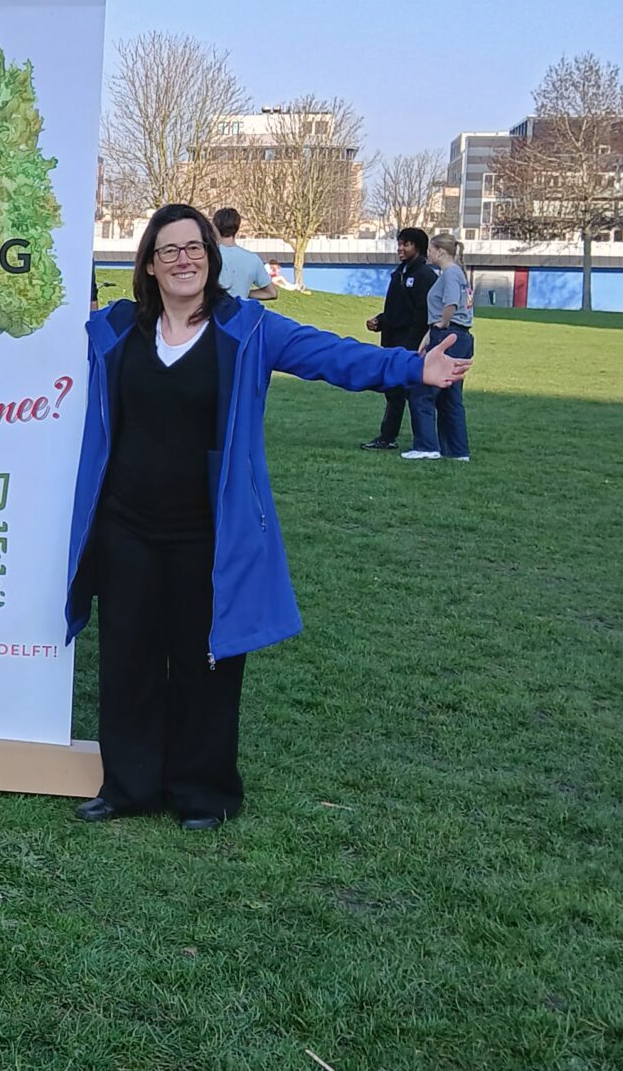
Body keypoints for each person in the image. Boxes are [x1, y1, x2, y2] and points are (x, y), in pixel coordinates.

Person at [66, 204, 468, 828]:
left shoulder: (247, 328)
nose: (184, 259)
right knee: (127, 660)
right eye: (169, 250)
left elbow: (329, 355)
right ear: (148, 264)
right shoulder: (114, 329)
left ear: (212, 258)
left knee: (207, 661)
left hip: (210, 530)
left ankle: (204, 792)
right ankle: (128, 787)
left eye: (195, 248)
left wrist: (413, 366)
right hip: (125, 528)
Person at [360, 227, 437, 450]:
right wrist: (380, 321)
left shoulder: (425, 276)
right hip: (392, 342)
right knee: (393, 390)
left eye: (406, 244)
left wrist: (412, 346)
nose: (400, 249)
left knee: (414, 393)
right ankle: (387, 437)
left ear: (418, 247)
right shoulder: (399, 273)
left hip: (411, 345)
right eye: (399, 244)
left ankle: (424, 442)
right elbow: (397, 310)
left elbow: (421, 315)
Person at [405, 234, 475, 461]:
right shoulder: (458, 274)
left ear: (440, 251)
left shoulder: (450, 274)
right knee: (450, 398)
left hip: (448, 337)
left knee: (422, 392)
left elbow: (451, 303)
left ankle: (426, 447)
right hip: (460, 337)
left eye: (430, 250)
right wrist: (428, 336)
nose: (428, 253)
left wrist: (442, 325)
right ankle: (457, 450)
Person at [211, 207, 280, 301]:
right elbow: (272, 293)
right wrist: (245, 293)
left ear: (214, 226)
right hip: (239, 309)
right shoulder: (253, 259)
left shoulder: (208, 255)